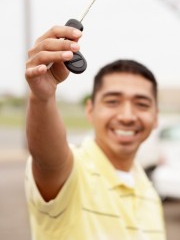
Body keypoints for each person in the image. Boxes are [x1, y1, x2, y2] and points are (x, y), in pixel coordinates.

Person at [25, 24, 166, 240]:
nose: (127, 116)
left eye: (142, 104)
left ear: (155, 117)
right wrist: (42, 98)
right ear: (90, 110)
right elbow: (49, 162)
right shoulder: (73, 172)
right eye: (113, 101)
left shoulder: (150, 193)